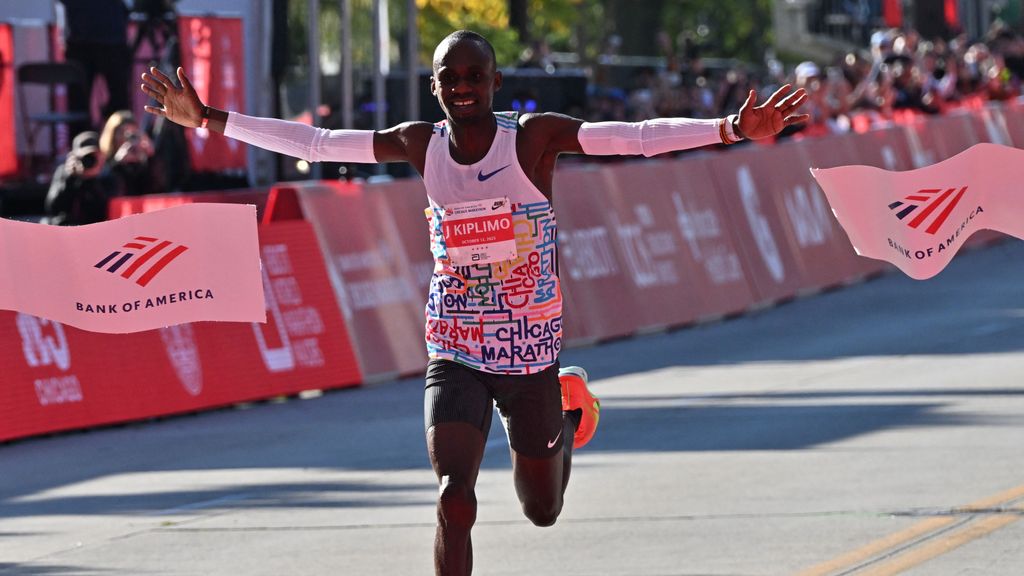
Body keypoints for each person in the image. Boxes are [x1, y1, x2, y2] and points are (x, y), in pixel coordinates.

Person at [140, 29, 808, 576]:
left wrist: (727, 127)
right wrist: (209, 119)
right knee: (454, 498)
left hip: (529, 355)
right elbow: (317, 145)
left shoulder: (534, 138)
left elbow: (631, 137)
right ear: (435, 88)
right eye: (448, 78)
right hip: (454, 347)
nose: (461, 87)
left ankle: (570, 409)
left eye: (473, 77)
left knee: (540, 509)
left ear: (493, 86)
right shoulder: (419, 144)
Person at [57, 0, 132, 136]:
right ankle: (83, 149)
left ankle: (119, 146)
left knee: (118, 101)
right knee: (79, 105)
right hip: (85, 38)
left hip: (104, 36)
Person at [45, 131, 116, 225]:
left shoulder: (108, 173)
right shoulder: (64, 172)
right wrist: (70, 178)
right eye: (84, 156)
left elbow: (105, 208)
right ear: (73, 156)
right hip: (67, 228)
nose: (88, 160)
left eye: (92, 156)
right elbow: (52, 208)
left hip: (96, 228)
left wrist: (92, 178)